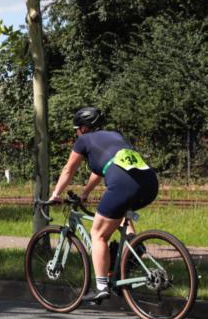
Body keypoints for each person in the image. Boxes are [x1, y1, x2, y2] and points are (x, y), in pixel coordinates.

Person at [48, 107, 159, 303]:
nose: (76, 133)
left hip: (124, 184)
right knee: (121, 210)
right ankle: (133, 245)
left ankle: (101, 287)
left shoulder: (83, 140)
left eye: (77, 129)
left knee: (98, 234)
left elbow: (68, 169)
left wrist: (55, 194)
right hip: (149, 182)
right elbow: (102, 168)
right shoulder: (115, 136)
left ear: (83, 128)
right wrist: (85, 193)